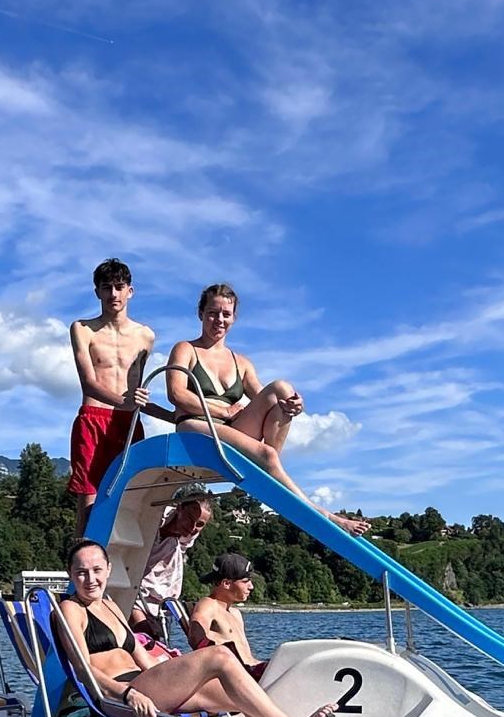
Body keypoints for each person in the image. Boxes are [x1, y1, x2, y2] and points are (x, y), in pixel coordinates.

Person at [60, 540, 334, 717]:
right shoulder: (70, 609)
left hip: (146, 684)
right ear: (71, 574)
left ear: (108, 569)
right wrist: (128, 694)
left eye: (97, 570)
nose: (91, 579)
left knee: (240, 696)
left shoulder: (110, 606)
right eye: (82, 572)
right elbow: (83, 669)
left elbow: (143, 659)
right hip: (119, 696)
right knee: (220, 656)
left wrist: (179, 673)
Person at [166, 283, 370, 536]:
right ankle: (324, 514)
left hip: (230, 429)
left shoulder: (241, 362)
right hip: (196, 424)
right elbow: (176, 394)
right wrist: (222, 412)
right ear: (201, 314)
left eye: (226, 314)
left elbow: (266, 397)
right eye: (212, 313)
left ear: (234, 318)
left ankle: (268, 473)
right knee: (268, 455)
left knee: (282, 390)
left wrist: (295, 405)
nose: (219, 320)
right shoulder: (186, 349)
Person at [68, 258, 154, 536]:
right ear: (97, 292)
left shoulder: (146, 336)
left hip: (128, 424)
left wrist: (172, 415)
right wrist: (124, 401)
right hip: (93, 418)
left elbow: (138, 392)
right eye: (107, 287)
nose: (113, 294)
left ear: (130, 291)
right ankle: (82, 553)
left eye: (119, 287)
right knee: (88, 500)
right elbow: (88, 383)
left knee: (129, 499)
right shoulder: (83, 329)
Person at [129, 482, 213, 640]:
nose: (192, 527)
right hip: (136, 586)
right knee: (145, 632)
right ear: (179, 508)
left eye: (200, 524)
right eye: (189, 518)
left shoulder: (190, 535)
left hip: (162, 595)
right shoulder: (155, 518)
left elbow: (181, 548)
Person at [189, 552, 268, 680]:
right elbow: (196, 636)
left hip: (252, 672)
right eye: (245, 581)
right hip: (236, 677)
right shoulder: (209, 605)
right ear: (226, 583)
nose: (251, 587)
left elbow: (248, 658)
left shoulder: (236, 613)